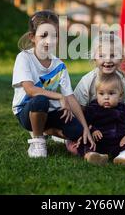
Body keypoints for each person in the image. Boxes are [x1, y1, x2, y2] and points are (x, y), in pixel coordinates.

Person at [11, 10, 95, 158]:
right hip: (27, 110)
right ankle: (38, 141)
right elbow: (30, 90)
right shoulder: (24, 58)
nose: (49, 41)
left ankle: (50, 131)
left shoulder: (59, 65)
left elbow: (70, 97)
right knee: (40, 100)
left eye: (54, 36)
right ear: (32, 37)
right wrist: (59, 96)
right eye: (43, 35)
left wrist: (84, 127)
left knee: (77, 131)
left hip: (50, 112)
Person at [77, 73, 125, 167]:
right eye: (101, 93)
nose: (106, 97)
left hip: (118, 144)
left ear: (120, 96)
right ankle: (92, 155)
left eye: (111, 93)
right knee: (85, 140)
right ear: (96, 94)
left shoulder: (124, 111)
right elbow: (86, 124)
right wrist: (93, 130)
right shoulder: (93, 109)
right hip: (97, 143)